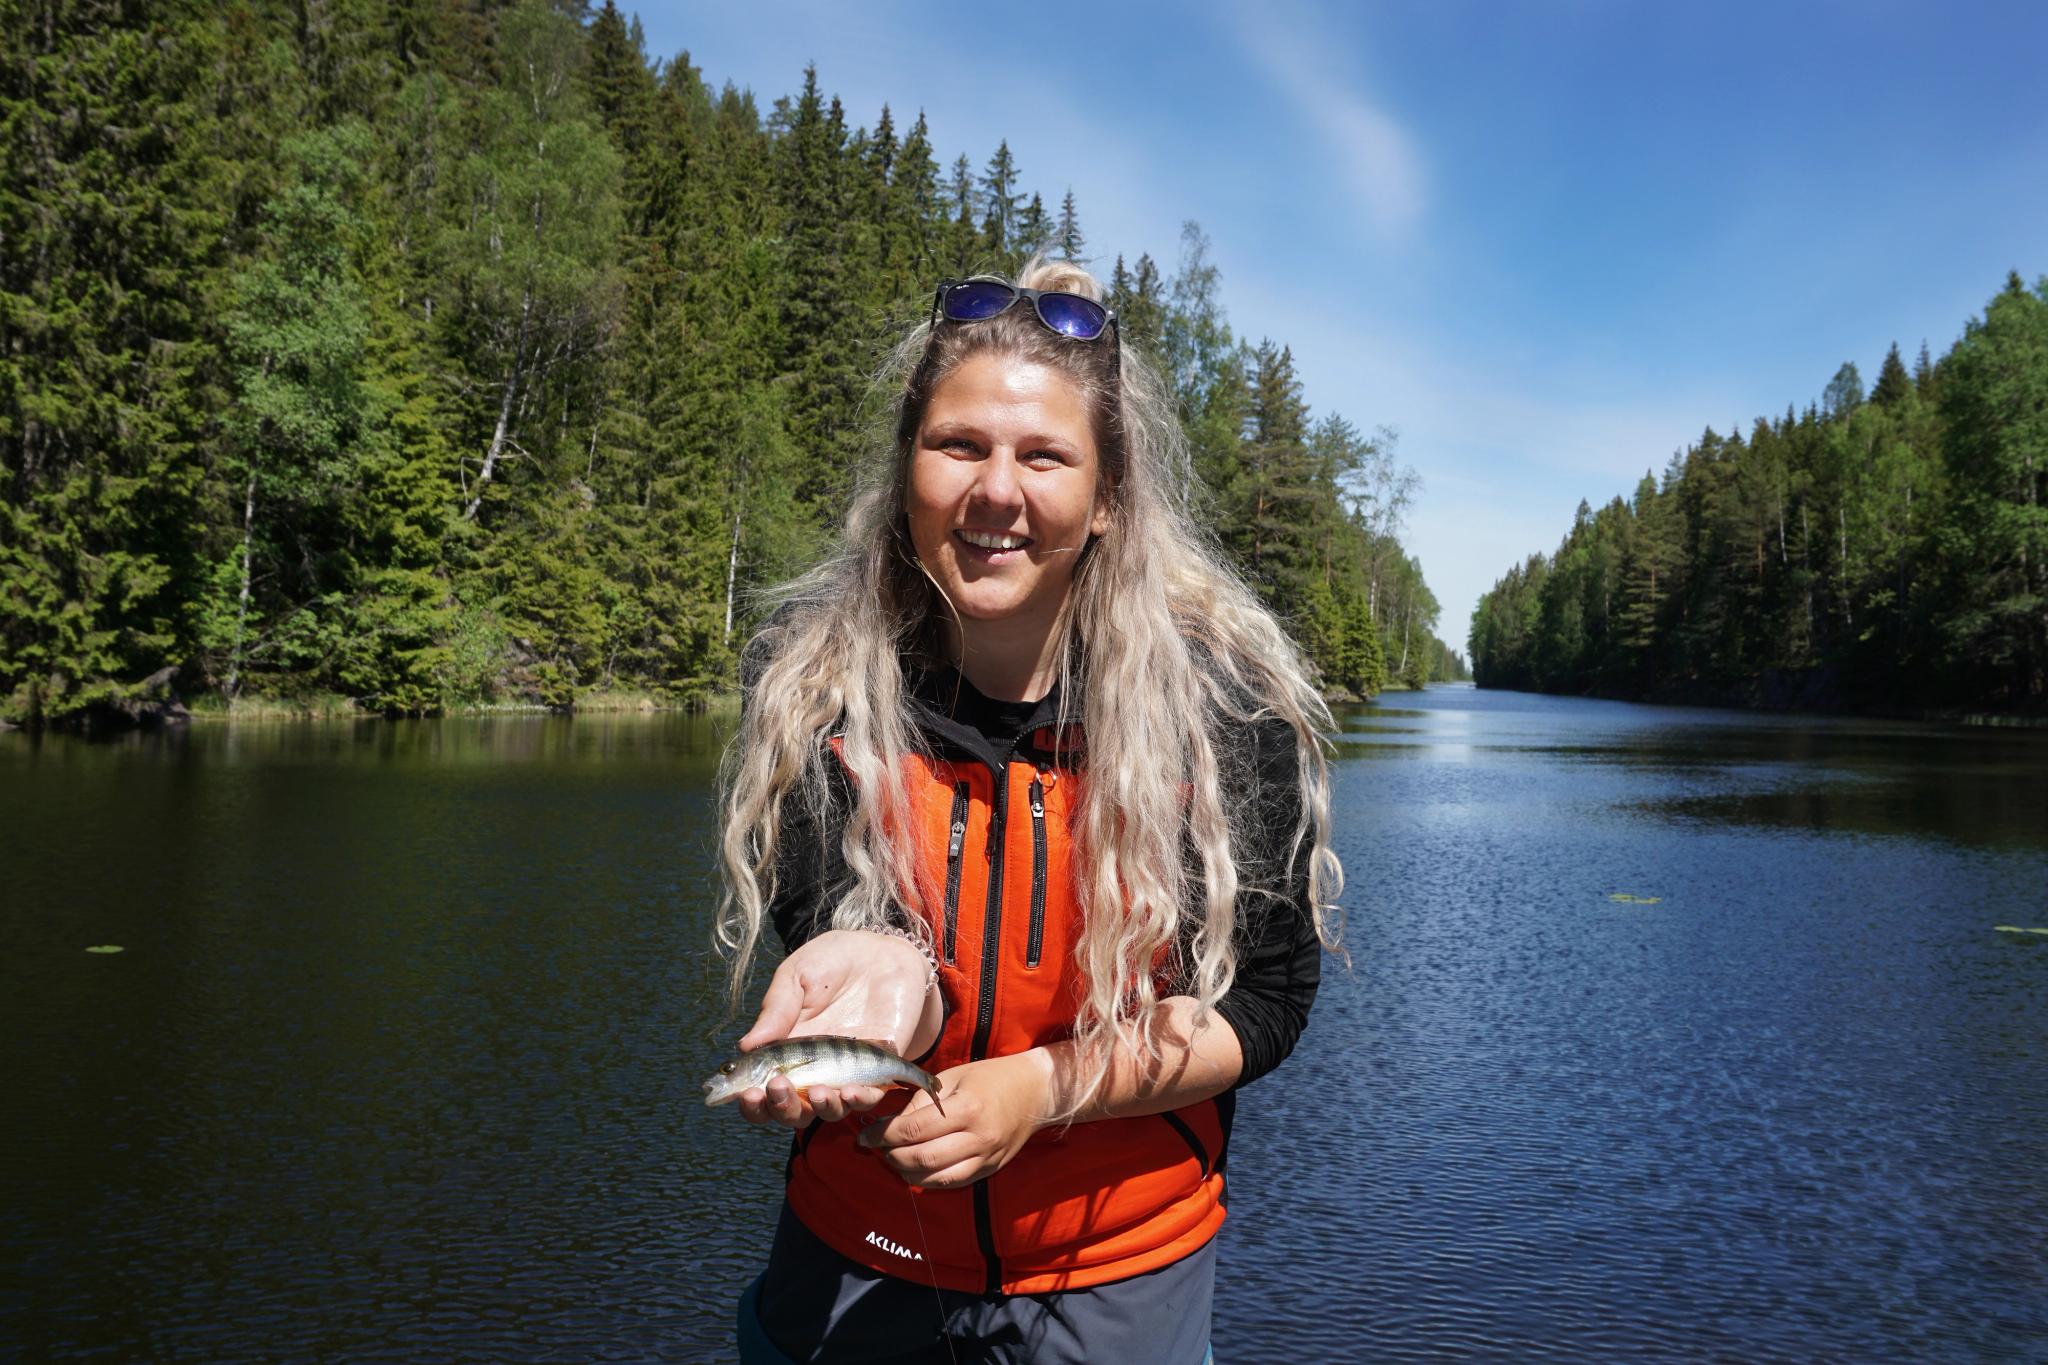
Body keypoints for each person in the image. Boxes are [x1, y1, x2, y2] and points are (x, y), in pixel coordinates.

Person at [715, 257, 1341, 1364]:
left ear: (1108, 500)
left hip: (1119, 1270)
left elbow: (1267, 1003)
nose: (996, 490)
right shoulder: (814, 687)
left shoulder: (1224, 710)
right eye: (958, 445)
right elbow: (843, 932)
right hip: (856, 1243)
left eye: (1043, 456)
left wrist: (1040, 1089)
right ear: (906, 467)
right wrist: (889, 979)